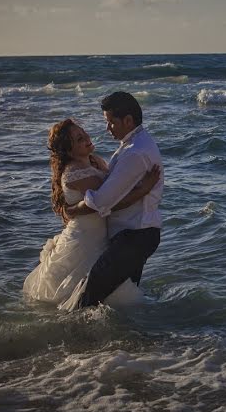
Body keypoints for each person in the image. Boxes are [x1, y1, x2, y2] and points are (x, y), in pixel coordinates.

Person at [23, 118, 160, 310]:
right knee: (82, 287)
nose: (87, 138)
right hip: (85, 236)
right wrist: (144, 189)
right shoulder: (74, 173)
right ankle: (76, 318)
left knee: (103, 284)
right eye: (79, 139)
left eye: (84, 133)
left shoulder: (95, 161)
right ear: (69, 151)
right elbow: (110, 202)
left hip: (100, 234)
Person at [58, 92, 164, 310]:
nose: (107, 129)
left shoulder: (135, 151)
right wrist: (142, 190)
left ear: (127, 120)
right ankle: (128, 342)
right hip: (135, 234)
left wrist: (73, 210)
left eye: (111, 123)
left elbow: (103, 200)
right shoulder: (135, 143)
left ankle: (69, 339)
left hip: (134, 235)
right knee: (122, 300)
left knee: (85, 298)